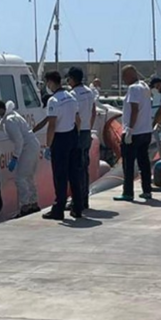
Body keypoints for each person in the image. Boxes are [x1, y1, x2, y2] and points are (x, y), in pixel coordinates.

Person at [0, 99, 41, 215]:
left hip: (27, 148)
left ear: (0, 109)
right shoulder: (10, 116)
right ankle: (34, 203)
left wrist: (15, 158)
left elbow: (19, 141)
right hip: (33, 146)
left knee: (20, 178)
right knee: (29, 176)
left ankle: (25, 207)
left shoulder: (10, 121)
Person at [41, 70, 82, 220]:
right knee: (74, 174)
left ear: (51, 82)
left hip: (60, 139)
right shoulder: (71, 96)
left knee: (60, 176)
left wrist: (47, 146)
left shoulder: (53, 100)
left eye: (47, 83)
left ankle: (58, 209)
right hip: (72, 135)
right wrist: (75, 136)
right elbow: (78, 120)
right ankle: (78, 207)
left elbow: (52, 125)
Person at [115, 65, 153, 201]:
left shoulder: (133, 88)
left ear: (129, 76)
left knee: (128, 164)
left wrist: (129, 130)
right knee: (144, 162)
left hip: (135, 132)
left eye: (124, 77)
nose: (123, 81)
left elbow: (134, 109)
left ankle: (128, 192)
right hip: (146, 131)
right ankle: (147, 190)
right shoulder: (145, 87)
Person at [68, 67, 97, 212]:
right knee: (84, 167)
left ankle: (76, 200)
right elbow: (94, 112)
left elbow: (75, 116)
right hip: (87, 131)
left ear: (72, 79)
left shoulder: (72, 94)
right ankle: (84, 199)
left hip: (77, 132)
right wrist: (89, 128)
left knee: (76, 168)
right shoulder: (89, 91)